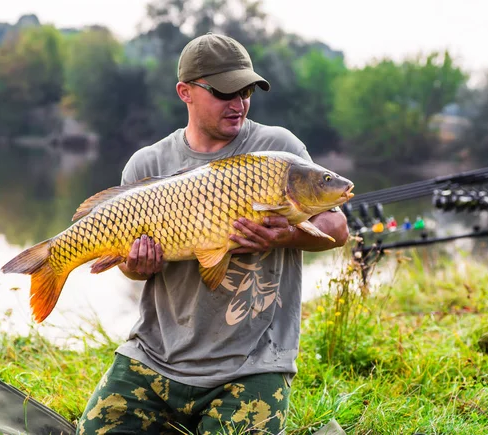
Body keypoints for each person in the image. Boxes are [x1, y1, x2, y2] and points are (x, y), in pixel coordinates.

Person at [77, 33, 349, 435]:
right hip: (155, 355)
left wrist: (285, 236)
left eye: (246, 92)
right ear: (185, 92)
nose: (238, 104)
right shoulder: (148, 163)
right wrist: (137, 265)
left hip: (253, 362)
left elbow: (337, 227)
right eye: (224, 93)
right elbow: (132, 273)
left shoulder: (278, 149)